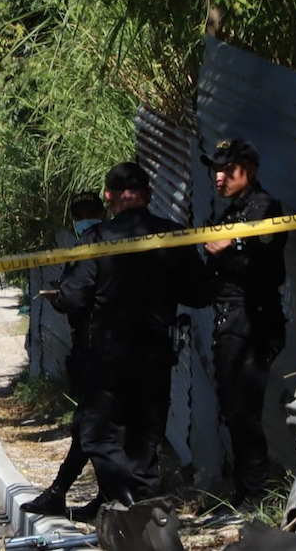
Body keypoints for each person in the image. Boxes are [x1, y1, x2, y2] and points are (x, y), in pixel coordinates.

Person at [57, 163, 209, 508]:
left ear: (109, 198)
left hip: (109, 355)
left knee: (97, 433)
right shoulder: (173, 235)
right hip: (157, 353)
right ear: (149, 195)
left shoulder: (95, 240)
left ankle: (124, 501)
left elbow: (73, 298)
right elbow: (200, 294)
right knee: (145, 437)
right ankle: (141, 513)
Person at [200, 138, 288, 508]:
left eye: (227, 169)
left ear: (248, 170)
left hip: (253, 320)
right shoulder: (230, 212)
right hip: (230, 320)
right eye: (215, 170)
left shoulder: (263, 207)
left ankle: (256, 495)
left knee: (244, 411)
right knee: (234, 410)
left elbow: (266, 250)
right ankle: (245, 492)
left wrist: (232, 244)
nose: (218, 177)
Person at [21, 191, 105, 517]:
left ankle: (67, 492)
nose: (83, 218)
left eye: (88, 212)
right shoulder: (89, 246)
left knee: (89, 426)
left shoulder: (92, 248)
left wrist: (60, 297)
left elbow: (76, 298)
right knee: (89, 426)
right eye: (79, 212)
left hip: (99, 352)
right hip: (91, 350)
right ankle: (100, 496)